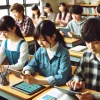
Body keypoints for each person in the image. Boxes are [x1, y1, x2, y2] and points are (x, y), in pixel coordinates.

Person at [22, 20, 72, 86]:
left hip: (59, 88)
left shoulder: (64, 53)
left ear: (53, 36)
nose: (39, 43)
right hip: (44, 86)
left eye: (43, 40)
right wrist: (27, 73)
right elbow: (32, 64)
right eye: (37, 40)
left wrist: (38, 81)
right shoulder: (40, 50)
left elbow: (62, 77)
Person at [66, 18, 100, 100]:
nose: (91, 47)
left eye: (96, 43)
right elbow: (78, 75)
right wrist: (76, 83)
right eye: (87, 42)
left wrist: (94, 97)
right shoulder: (86, 56)